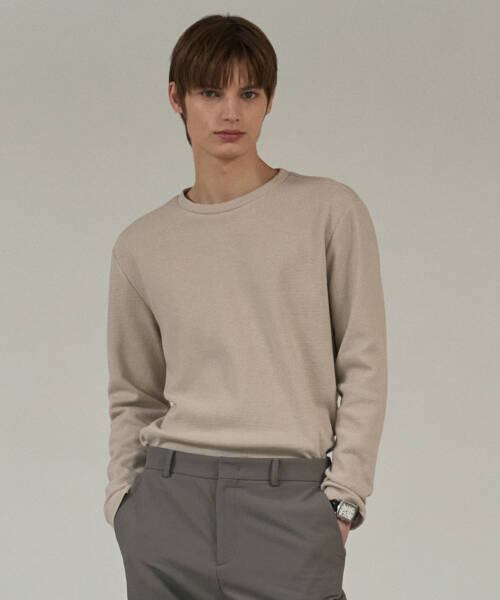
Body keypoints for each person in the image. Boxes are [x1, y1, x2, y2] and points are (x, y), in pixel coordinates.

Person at [104, 13, 387, 600]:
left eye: (248, 93)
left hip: (290, 507)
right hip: (168, 506)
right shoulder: (142, 244)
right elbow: (134, 392)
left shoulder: (329, 212)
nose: (230, 112)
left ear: (269, 101)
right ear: (177, 99)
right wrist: (123, 503)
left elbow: (363, 365)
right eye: (211, 93)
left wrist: (343, 501)